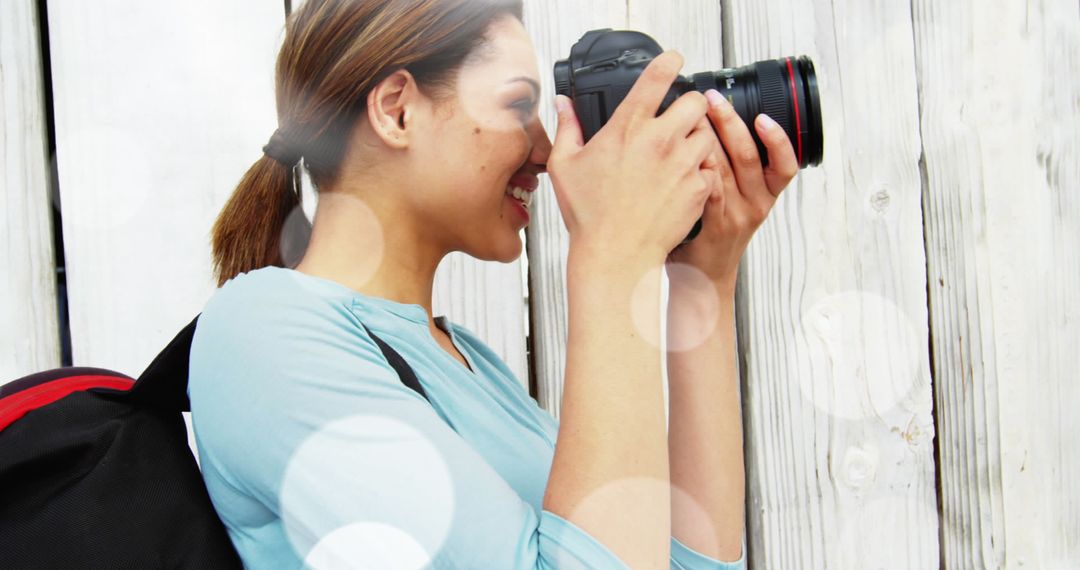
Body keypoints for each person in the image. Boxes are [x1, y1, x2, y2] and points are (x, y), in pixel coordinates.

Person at [188, 0, 799, 568]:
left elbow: (682, 563)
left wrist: (703, 278)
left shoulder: (466, 363)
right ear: (398, 109)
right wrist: (613, 255)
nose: (544, 150)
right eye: (516, 106)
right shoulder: (264, 333)